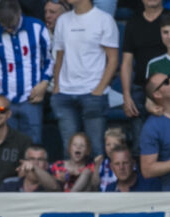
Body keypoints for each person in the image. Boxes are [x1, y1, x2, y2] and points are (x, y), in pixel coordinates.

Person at [50, 0, 119, 158]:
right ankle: (70, 183)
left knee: (96, 149)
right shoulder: (63, 20)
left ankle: (97, 183)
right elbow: (59, 57)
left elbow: (113, 59)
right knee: (69, 150)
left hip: (92, 93)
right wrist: (57, 89)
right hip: (64, 94)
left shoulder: (104, 19)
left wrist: (99, 89)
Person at [0, 0, 52, 144]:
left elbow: (50, 59)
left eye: (12, 25)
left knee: (33, 145)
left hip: (32, 97)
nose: (8, 29)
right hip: (3, 99)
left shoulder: (37, 27)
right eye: (3, 25)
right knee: (7, 146)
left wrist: (44, 82)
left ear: (19, 13)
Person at [119, 0, 165, 152]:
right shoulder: (133, 23)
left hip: (169, 90)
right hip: (140, 89)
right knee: (140, 146)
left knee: (169, 144)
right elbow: (126, 63)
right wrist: (126, 95)